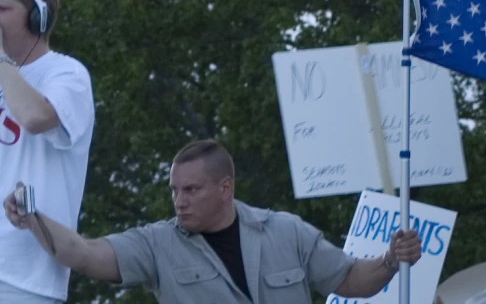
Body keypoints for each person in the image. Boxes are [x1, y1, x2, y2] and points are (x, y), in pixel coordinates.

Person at [4, 139, 423, 304]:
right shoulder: (156, 245)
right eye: (174, 190)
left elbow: (351, 281)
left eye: (191, 190)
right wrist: (32, 220)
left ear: (225, 188)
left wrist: (389, 259)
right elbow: (82, 253)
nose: (178, 201)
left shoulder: (285, 232)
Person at [0, 0, 96, 303]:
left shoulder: (67, 74)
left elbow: (34, 117)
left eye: (2, 8)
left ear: (37, 18)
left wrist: (2, 61)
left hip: (23, 278)